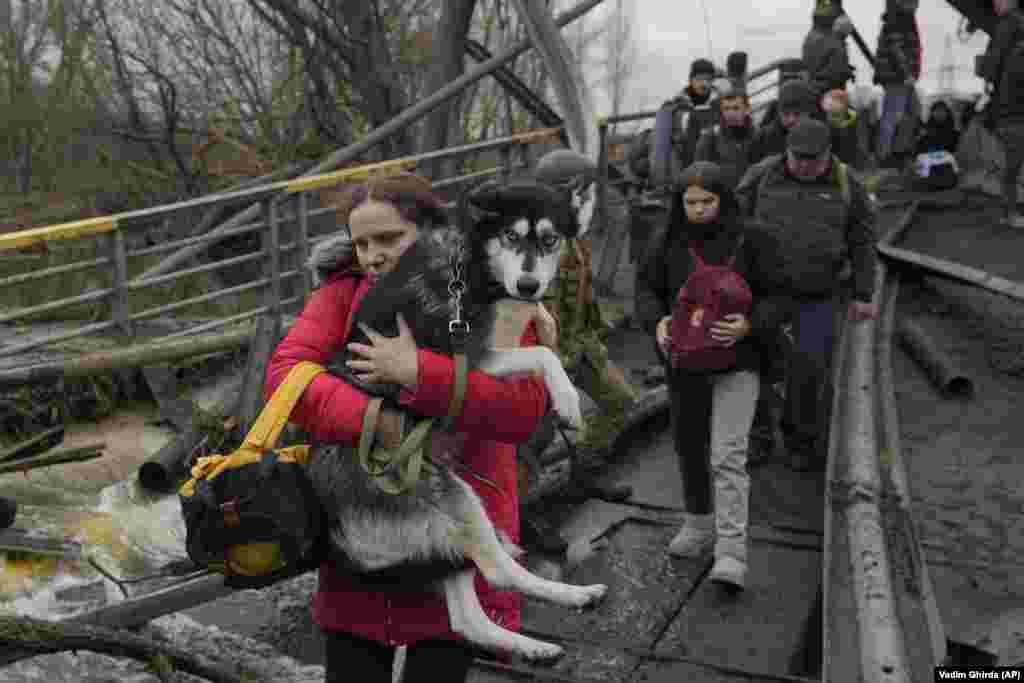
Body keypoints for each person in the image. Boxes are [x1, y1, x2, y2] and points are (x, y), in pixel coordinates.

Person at [264, 172, 550, 683]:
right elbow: (285, 376)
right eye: (361, 243)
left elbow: (524, 407)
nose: (372, 254)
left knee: (440, 658)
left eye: (389, 239)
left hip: (452, 522)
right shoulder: (343, 291)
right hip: (362, 524)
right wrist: (375, 420)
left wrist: (420, 374)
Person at [635, 161, 786, 590]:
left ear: (723, 199)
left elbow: (780, 295)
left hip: (739, 361)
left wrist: (750, 325)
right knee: (689, 446)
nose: (698, 210)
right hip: (684, 362)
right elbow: (646, 290)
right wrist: (657, 322)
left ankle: (732, 550)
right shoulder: (665, 240)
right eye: (690, 202)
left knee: (728, 453)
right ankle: (699, 523)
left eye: (706, 201)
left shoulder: (753, 239)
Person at [736, 119, 878, 471]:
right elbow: (732, 223)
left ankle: (799, 439)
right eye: (796, 158)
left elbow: (863, 240)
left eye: (812, 160)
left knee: (810, 369)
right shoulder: (762, 176)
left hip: (818, 293)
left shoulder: (848, 184)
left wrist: (863, 292)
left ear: (828, 154)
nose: (803, 166)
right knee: (754, 364)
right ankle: (757, 436)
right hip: (764, 291)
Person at [977, 0, 1024, 227]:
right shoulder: (1012, 26)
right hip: (1012, 109)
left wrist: (988, 80)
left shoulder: (1008, 26)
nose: (995, 3)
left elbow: (994, 60)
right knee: (1012, 163)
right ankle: (1010, 212)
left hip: (1009, 108)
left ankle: (1010, 211)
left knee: (1011, 164)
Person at [650, 58, 720, 188]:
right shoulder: (677, 106)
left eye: (708, 79)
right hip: (685, 165)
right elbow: (670, 142)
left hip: (714, 165)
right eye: (699, 79)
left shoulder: (720, 101)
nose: (703, 83)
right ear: (691, 80)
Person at [874, 0, 923, 167]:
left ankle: (899, 151)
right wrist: (906, 74)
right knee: (892, 116)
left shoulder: (905, 20)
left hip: (903, 77)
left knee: (913, 111)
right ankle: (884, 155)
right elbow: (896, 50)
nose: (916, 5)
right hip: (897, 77)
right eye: (913, 2)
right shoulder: (897, 21)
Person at [694, 80, 758, 189]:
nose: (731, 113)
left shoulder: (758, 136)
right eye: (726, 109)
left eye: (736, 108)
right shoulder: (710, 137)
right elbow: (698, 173)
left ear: (747, 110)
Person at [749, 79, 819, 164]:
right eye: (786, 114)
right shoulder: (763, 138)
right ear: (779, 112)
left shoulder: (823, 136)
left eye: (797, 114)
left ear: (809, 112)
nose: (791, 119)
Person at [803, 2, 855, 102]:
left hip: (812, 89)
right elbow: (836, 73)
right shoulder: (837, 46)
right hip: (829, 93)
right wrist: (848, 72)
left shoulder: (810, 38)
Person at [822, 88, 870, 170]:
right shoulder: (850, 117)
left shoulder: (851, 120)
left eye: (835, 115)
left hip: (845, 153)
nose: (830, 117)